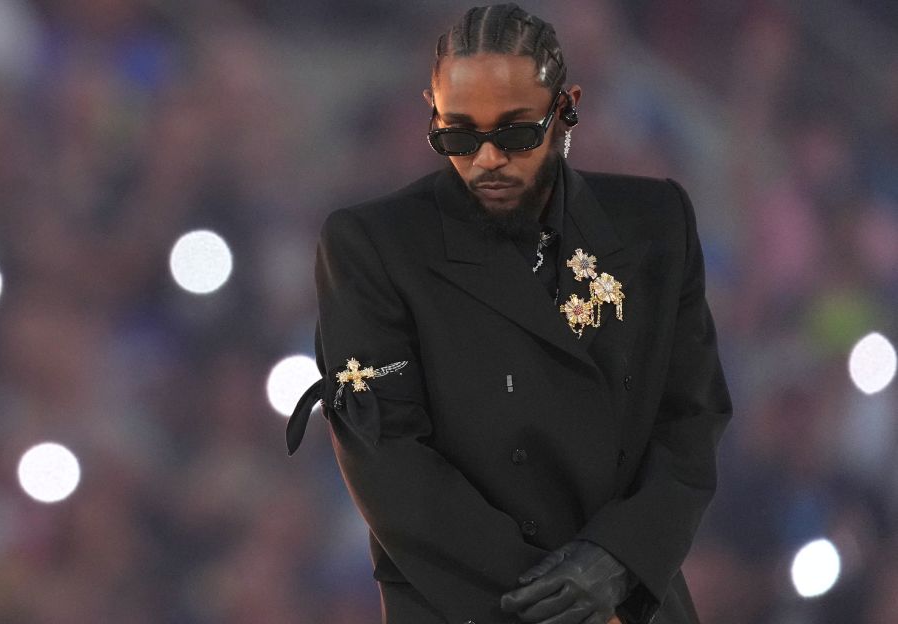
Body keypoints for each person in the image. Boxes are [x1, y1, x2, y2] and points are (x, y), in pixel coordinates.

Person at [286, 4, 732, 623]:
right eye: (459, 136)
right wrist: (553, 601)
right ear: (432, 115)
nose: (487, 159)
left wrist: (617, 560)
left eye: (516, 133)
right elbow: (388, 458)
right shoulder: (373, 246)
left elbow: (693, 417)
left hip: (630, 600)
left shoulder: (655, 224)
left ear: (566, 108)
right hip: (470, 607)